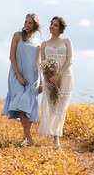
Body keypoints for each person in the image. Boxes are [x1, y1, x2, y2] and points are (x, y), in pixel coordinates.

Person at [1, 13, 42, 146]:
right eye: (26, 22)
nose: (26, 25)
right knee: (21, 105)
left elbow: (39, 63)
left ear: (35, 25)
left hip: (32, 78)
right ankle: (29, 137)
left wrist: (41, 80)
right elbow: (11, 57)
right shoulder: (17, 36)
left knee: (27, 107)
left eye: (30, 23)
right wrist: (18, 75)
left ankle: (25, 138)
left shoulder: (39, 42)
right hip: (16, 75)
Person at [38, 16, 73, 146]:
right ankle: (51, 133)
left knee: (60, 107)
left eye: (55, 25)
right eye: (51, 24)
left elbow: (70, 60)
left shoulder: (67, 41)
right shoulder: (44, 44)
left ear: (61, 28)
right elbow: (43, 63)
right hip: (49, 78)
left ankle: (56, 138)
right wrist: (46, 80)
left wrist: (58, 75)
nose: (52, 27)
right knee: (50, 105)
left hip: (65, 77)